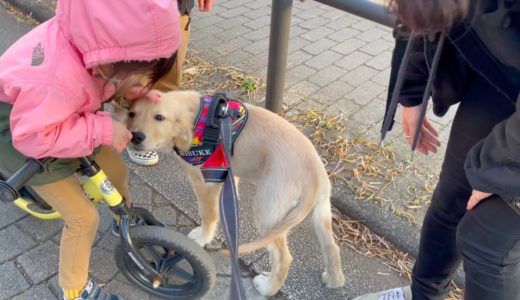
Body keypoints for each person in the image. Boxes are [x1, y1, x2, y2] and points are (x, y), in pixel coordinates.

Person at [0, 1, 181, 299]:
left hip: (54, 114)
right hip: (21, 137)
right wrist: (102, 128)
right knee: (83, 218)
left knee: (115, 167)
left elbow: (94, 76)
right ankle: (74, 289)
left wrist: (126, 91)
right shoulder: (53, 80)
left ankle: (124, 218)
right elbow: (34, 137)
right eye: (131, 69)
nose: (131, 75)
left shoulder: (87, 43)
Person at [355, 0, 520, 299]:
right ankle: (424, 294)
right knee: (451, 200)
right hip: (500, 82)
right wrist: (411, 92)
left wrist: (502, 167)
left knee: (488, 240)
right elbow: (422, 17)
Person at [127, 0, 215, 166]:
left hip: (177, 8)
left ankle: (157, 130)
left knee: (169, 75)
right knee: (136, 74)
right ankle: (134, 132)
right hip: (135, 9)